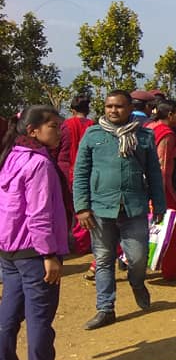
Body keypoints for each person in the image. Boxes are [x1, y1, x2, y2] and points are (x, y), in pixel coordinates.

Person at [74, 90, 166, 330]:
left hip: (134, 207)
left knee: (137, 257)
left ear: (129, 109)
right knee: (103, 259)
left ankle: (137, 282)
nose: (113, 110)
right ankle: (105, 308)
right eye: (109, 106)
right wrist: (82, 207)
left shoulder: (143, 136)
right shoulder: (92, 135)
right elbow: (81, 173)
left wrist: (159, 203)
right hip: (100, 209)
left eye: (118, 106)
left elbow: (154, 173)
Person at [0, 106, 74, 360]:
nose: (59, 132)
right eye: (53, 126)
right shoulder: (38, 164)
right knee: (39, 316)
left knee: (8, 315)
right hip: (34, 251)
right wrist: (49, 255)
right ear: (33, 130)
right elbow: (39, 214)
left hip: (10, 250)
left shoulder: (10, 157)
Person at [144, 99, 176, 281]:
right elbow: (162, 166)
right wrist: (158, 195)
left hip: (143, 186)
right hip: (161, 188)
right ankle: (171, 270)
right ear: (170, 115)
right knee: (173, 226)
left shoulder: (149, 128)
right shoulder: (167, 135)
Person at [56, 95, 94, 254]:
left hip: (64, 171)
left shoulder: (64, 125)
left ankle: (62, 243)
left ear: (72, 110)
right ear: (88, 109)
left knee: (64, 209)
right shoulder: (93, 126)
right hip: (87, 172)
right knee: (82, 207)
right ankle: (82, 244)